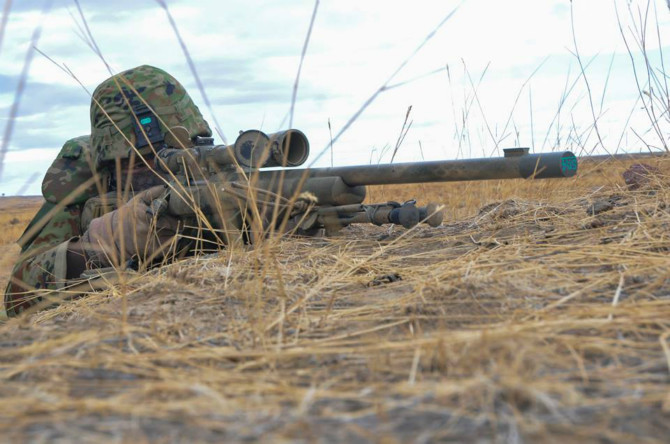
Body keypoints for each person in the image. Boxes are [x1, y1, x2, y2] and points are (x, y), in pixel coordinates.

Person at [3, 65, 213, 317]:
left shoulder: (218, 176)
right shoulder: (85, 190)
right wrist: (106, 241)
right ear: (111, 167)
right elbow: (17, 296)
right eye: (141, 163)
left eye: (184, 152)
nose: (166, 171)